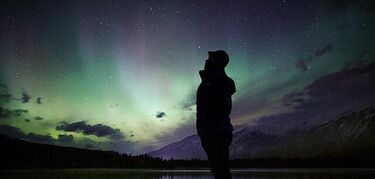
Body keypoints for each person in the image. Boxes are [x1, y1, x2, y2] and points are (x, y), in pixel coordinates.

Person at [196, 50, 236, 179]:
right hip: (213, 133)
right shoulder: (212, 80)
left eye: (210, 58)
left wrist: (208, 132)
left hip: (215, 133)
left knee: (221, 172)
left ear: (216, 62)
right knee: (219, 171)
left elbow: (219, 108)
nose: (206, 60)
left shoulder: (216, 81)